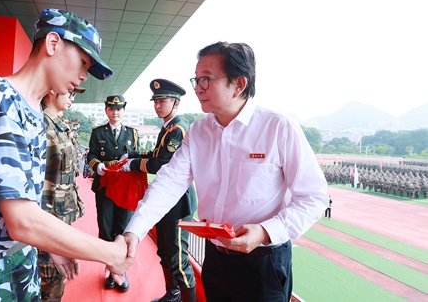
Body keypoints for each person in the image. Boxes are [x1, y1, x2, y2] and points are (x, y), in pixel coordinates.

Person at [0, 9, 133, 301]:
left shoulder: (30, 110)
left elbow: (23, 202)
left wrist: (54, 246)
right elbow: (21, 219)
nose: (82, 76)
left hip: (17, 262)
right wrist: (110, 253)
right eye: (82, 62)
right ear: (52, 44)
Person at [123, 42, 330, 302]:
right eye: (196, 80)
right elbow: (168, 183)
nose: (197, 88)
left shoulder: (278, 127)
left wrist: (265, 231)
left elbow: (313, 198)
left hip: (264, 265)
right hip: (217, 259)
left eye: (206, 80)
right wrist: (133, 232)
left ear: (239, 84)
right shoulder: (198, 132)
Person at [120, 79, 198, 302]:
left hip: (178, 202)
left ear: (176, 103)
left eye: (162, 101)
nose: (157, 106)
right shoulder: (167, 128)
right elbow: (155, 155)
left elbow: (159, 164)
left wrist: (132, 164)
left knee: (179, 259)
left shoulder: (178, 130)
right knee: (164, 253)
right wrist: (134, 155)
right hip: (164, 201)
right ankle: (172, 294)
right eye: (155, 101)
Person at [87, 94, 139, 292]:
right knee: (106, 226)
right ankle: (109, 269)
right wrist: (97, 164)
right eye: (111, 108)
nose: (115, 112)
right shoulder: (98, 133)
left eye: (118, 109)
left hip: (125, 186)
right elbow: (91, 154)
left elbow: (134, 156)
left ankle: (120, 269)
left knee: (123, 226)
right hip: (105, 185)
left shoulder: (132, 133)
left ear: (123, 111)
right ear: (106, 110)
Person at [39, 88, 86, 301]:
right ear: (52, 92)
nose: (72, 98)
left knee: (56, 275)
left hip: (61, 208)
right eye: (69, 92)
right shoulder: (42, 125)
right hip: (49, 215)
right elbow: (40, 187)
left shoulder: (59, 122)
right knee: (50, 276)